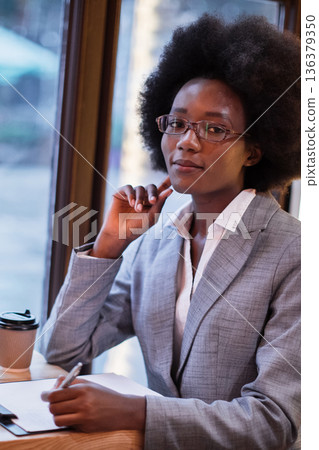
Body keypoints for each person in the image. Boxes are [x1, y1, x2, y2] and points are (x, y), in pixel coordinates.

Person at [40, 14, 301, 449]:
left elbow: (273, 422)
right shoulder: (158, 243)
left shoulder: (294, 254)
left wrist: (137, 411)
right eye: (177, 123)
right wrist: (108, 247)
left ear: (255, 150)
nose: (186, 142)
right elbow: (61, 352)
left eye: (214, 129)